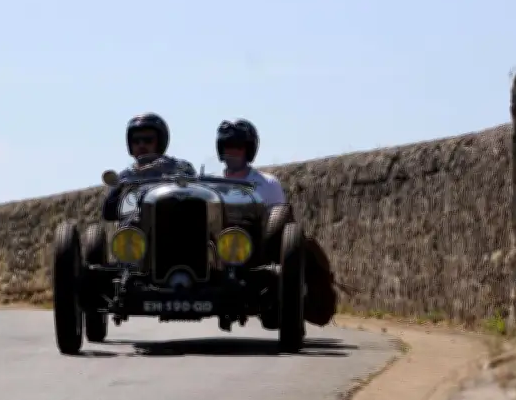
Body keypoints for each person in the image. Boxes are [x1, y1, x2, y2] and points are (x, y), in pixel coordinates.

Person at [216, 118, 339, 327]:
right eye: (228, 147)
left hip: (255, 251)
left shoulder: (267, 183)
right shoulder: (211, 183)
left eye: (238, 147)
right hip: (217, 247)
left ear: (248, 150)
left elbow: (279, 223)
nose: (232, 152)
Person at [102, 113, 196, 221]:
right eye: (136, 141)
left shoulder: (178, 167)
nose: (141, 145)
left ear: (160, 141)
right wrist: (120, 190)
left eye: (148, 140)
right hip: (137, 230)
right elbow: (108, 214)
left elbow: (195, 197)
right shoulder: (126, 176)